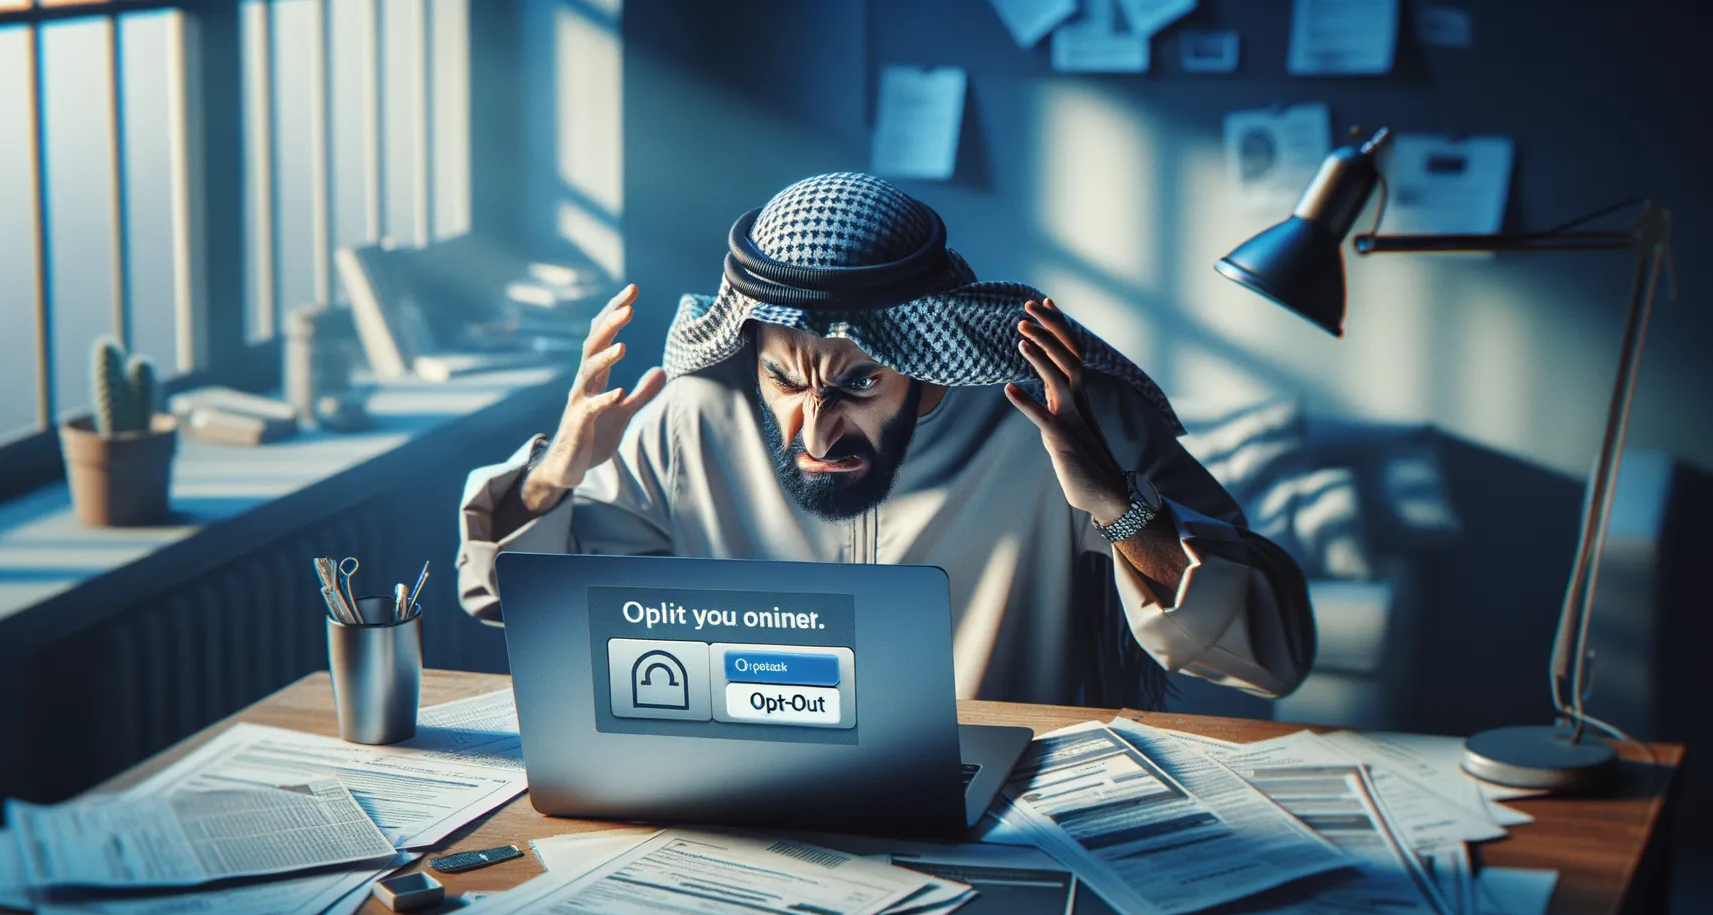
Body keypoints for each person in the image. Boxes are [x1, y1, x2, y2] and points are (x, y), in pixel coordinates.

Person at [458, 173, 1313, 707]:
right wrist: (552, 478)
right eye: (785, 379)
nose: (815, 427)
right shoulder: (694, 417)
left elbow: (1268, 659)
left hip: (1016, 821)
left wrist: (1119, 508)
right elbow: (519, 607)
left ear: (929, 354)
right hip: (748, 808)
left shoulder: (1068, 424)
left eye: (861, 382)